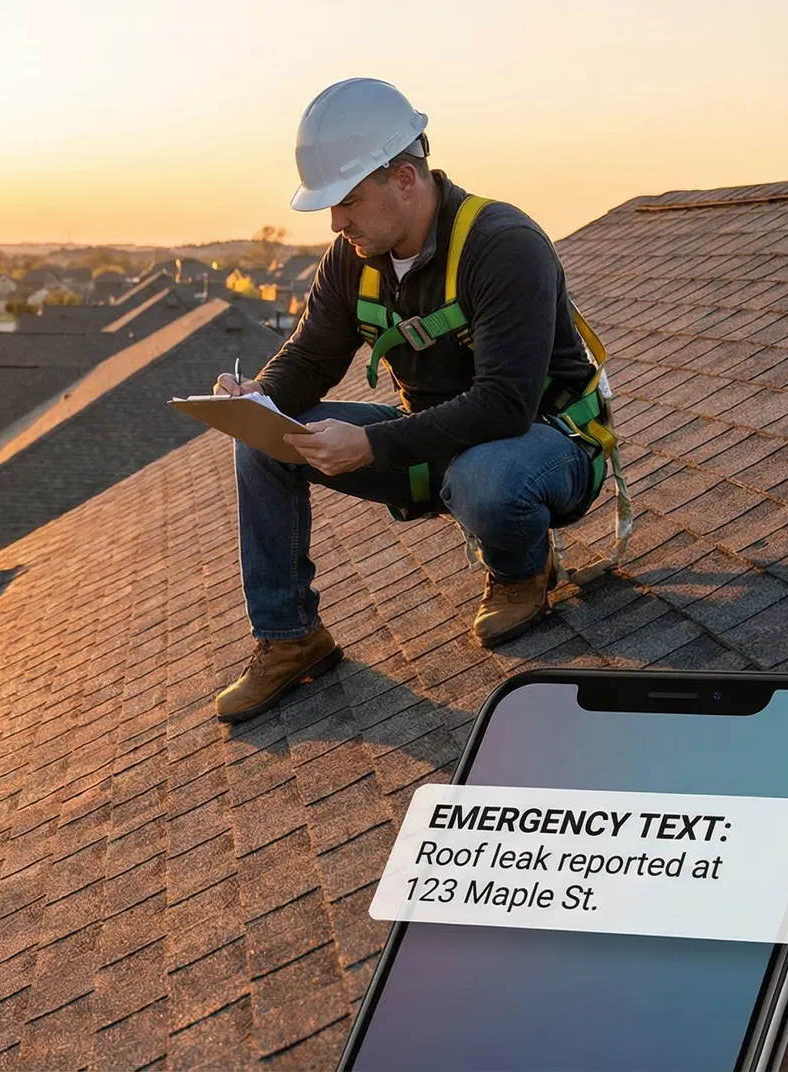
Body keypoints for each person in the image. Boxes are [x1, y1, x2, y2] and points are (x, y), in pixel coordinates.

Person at [215, 77, 606, 724]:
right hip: (430, 441)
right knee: (263, 439)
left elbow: (505, 405)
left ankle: (521, 571)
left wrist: (371, 444)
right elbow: (310, 359)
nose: (336, 222)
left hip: (540, 446)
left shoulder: (502, 244)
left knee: (484, 476)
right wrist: (261, 396)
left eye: (347, 201)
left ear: (403, 178)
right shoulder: (352, 258)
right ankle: (290, 639)